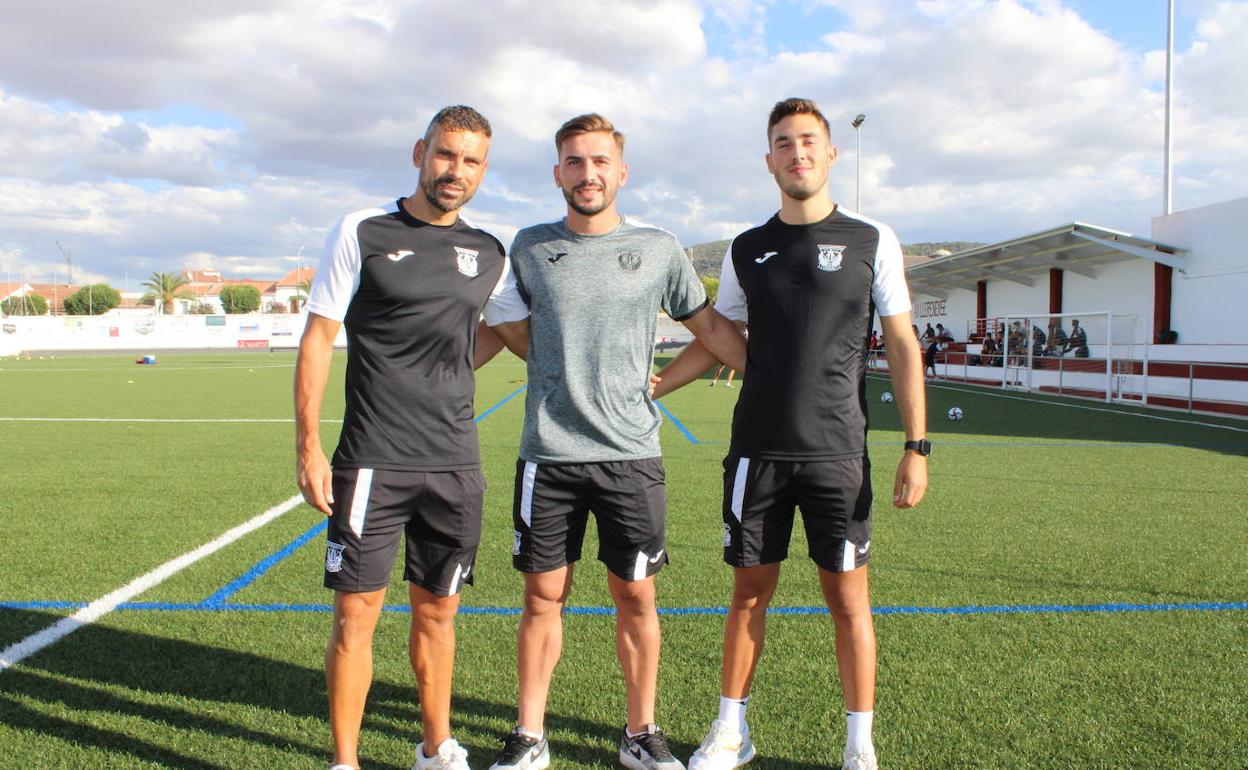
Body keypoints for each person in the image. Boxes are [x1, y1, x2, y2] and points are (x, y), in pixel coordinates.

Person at [652, 98, 927, 770]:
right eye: (783, 142)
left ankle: (859, 744)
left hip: (839, 453)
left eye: (808, 140)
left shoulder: (872, 239)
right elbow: (720, 337)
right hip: (757, 453)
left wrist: (916, 446)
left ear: (830, 153)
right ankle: (730, 730)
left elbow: (900, 341)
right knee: (748, 593)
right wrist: (652, 384)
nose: (797, 152)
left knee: (847, 598)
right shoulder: (747, 248)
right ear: (769, 159)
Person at [488, 113, 746, 770]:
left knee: (636, 596)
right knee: (543, 597)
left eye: (599, 161)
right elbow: (508, 330)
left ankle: (640, 732)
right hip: (548, 456)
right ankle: (528, 735)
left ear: (620, 171)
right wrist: (550, 367)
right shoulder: (528, 246)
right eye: (574, 162)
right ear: (558, 174)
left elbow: (708, 329)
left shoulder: (659, 248)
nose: (587, 173)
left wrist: (668, 384)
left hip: (631, 457)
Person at [295, 105, 530, 770]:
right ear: (420, 152)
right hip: (372, 461)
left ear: (484, 170)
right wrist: (309, 446)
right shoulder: (362, 230)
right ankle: (345, 762)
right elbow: (318, 338)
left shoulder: (489, 253)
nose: (456, 171)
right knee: (355, 618)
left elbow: (517, 339)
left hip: (455, 465)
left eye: (472, 161)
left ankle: (436, 746)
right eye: (446, 155)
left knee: (438, 616)